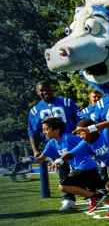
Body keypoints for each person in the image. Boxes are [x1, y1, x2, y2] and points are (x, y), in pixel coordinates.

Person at [54, 119, 109, 218]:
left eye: (83, 133)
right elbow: (71, 154)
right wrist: (59, 161)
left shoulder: (105, 134)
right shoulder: (86, 144)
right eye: (80, 134)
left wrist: (90, 128)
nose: (81, 136)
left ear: (91, 131)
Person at [28, 81, 84, 211]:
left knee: (83, 169)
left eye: (47, 89)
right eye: (41, 90)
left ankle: (92, 193)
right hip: (54, 147)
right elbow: (32, 132)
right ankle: (68, 198)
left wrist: (82, 136)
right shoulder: (35, 110)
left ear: (51, 89)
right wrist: (35, 150)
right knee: (61, 173)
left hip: (72, 143)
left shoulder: (66, 102)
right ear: (37, 92)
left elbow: (81, 120)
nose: (45, 92)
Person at [31, 118, 102, 211]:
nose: (44, 132)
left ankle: (96, 197)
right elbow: (41, 159)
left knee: (63, 186)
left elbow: (87, 141)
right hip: (83, 167)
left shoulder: (68, 138)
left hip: (86, 166)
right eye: (43, 130)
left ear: (56, 130)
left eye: (46, 129)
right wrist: (29, 160)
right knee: (97, 189)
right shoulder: (52, 143)